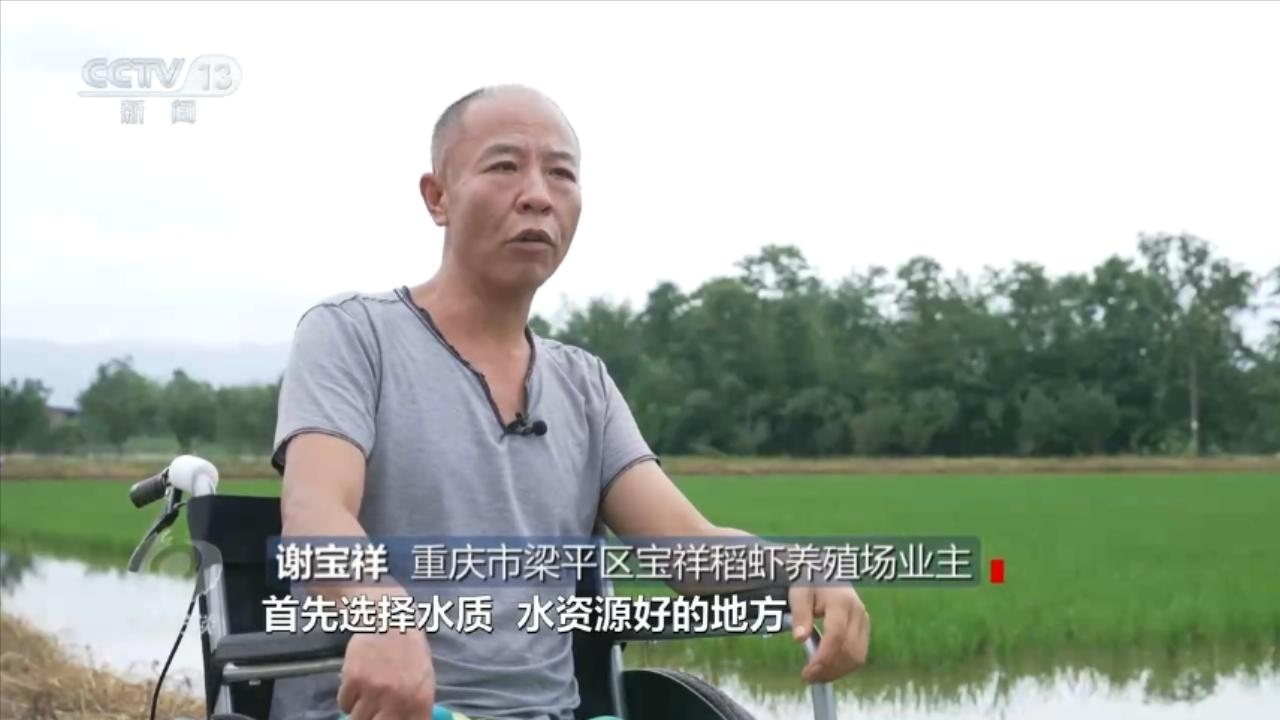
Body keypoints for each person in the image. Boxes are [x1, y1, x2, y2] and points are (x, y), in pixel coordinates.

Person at [268, 85, 870, 720]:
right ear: (437, 197)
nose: (537, 194)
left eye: (561, 173)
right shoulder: (352, 334)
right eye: (505, 166)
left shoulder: (585, 384)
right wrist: (381, 613)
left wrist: (803, 565)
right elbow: (315, 508)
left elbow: (688, 547)